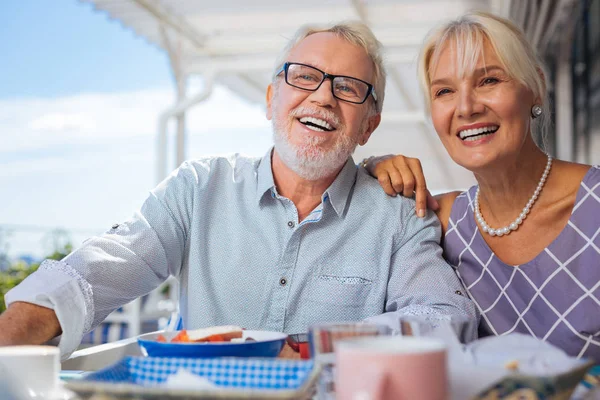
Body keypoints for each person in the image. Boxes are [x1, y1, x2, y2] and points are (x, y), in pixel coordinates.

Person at [0, 22, 476, 359]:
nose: (323, 96)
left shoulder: (399, 216)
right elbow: (102, 268)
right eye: (304, 77)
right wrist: (15, 329)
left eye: (348, 87)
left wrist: (314, 346)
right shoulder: (198, 189)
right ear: (272, 99)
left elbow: (445, 318)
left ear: (369, 126)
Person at [367, 12, 600, 361]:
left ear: (534, 87)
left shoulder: (594, 203)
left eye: (488, 81)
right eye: (445, 91)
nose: (466, 107)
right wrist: (373, 164)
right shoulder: (442, 220)